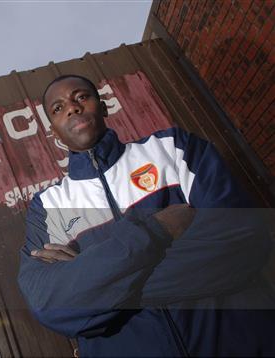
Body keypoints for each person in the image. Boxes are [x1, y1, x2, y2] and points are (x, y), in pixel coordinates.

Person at [17, 75, 275, 356]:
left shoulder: (172, 149)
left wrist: (96, 283)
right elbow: (49, 304)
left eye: (81, 97)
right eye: (58, 108)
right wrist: (155, 231)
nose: (72, 108)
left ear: (103, 107)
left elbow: (242, 242)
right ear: (54, 133)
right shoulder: (48, 206)